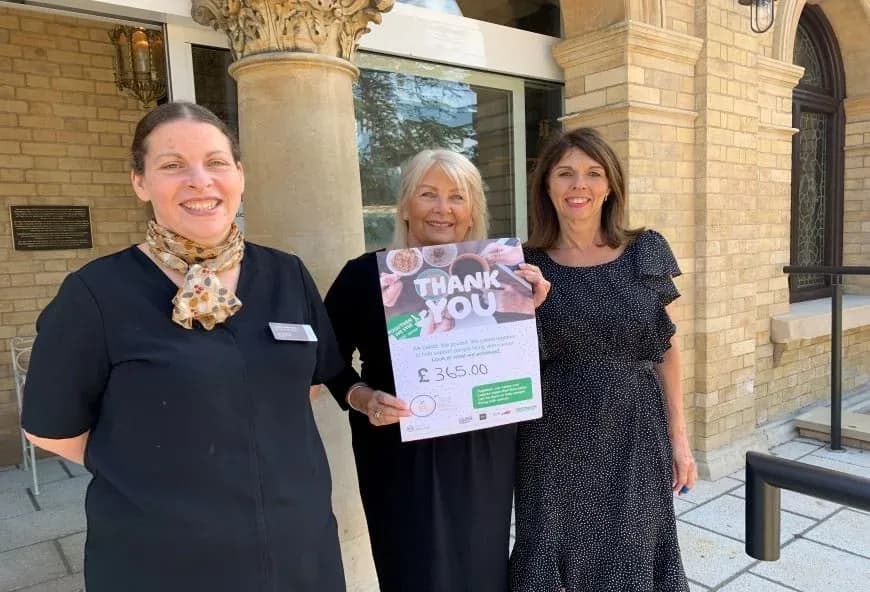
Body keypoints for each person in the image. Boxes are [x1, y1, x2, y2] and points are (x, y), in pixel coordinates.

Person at [21, 102, 346, 592]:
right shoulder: (95, 294)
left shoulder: (286, 275)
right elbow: (50, 430)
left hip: (299, 549)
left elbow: (308, 385)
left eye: (216, 162)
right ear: (140, 182)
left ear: (240, 175)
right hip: (163, 559)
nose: (200, 180)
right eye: (172, 165)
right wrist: (152, 473)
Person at [323, 149, 550, 592]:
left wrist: (527, 307)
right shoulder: (364, 275)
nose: (442, 209)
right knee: (410, 562)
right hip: (397, 440)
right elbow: (327, 360)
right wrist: (361, 398)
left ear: (471, 214)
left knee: (480, 558)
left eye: (456, 197)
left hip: (482, 442)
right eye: (428, 194)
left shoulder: (500, 275)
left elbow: (516, 361)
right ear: (406, 206)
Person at [511, 127, 697, 591]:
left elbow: (667, 348)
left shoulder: (645, 249)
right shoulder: (521, 263)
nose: (580, 185)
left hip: (635, 428)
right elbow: (507, 360)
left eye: (593, 173)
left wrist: (680, 439)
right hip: (551, 437)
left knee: (632, 550)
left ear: (610, 185)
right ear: (547, 186)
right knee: (550, 549)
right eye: (565, 173)